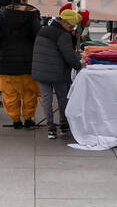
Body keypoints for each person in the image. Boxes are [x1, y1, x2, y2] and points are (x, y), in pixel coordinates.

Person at [0, 0, 42, 128]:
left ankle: (15, 120)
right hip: (28, 61)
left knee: (9, 93)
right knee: (29, 92)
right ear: (22, 1)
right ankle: (28, 119)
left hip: (6, 61)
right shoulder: (32, 15)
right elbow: (39, 35)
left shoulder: (3, 14)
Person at [33, 9, 81, 139]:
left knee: (47, 100)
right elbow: (69, 56)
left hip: (41, 71)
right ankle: (64, 126)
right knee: (62, 98)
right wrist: (80, 67)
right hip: (58, 73)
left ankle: (51, 129)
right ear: (64, 22)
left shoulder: (43, 30)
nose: (71, 29)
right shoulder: (62, 35)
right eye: (71, 26)